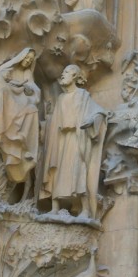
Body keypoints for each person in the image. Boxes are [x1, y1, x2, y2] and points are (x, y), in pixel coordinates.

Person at [39, 64, 107, 218]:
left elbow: (100, 113)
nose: (63, 74)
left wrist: (92, 120)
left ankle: (85, 209)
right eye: (63, 72)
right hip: (60, 141)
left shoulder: (83, 95)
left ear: (75, 76)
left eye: (67, 72)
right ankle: (54, 208)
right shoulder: (61, 98)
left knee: (78, 171)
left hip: (77, 139)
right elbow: (55, 121)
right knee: (56, 171)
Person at [0, 48, 42, 200]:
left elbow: (36, 92)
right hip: (6, 104)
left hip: (20, 105)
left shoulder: (27, 74)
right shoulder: (8, 69)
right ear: (20, 57)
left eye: (31, 60)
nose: (28, 61)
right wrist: (9, 86)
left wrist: (28, 89)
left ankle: (23, 143)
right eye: (27, 58)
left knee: (32, 110)